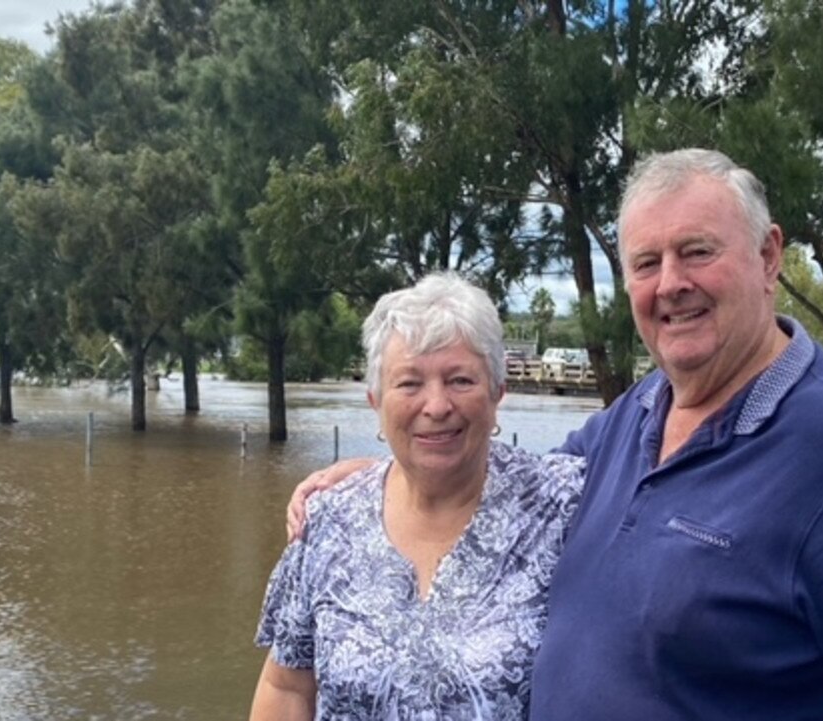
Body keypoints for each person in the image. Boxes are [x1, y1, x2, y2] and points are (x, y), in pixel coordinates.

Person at [287, 148, 823, 720]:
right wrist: (392, 476)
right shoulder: (635, 417)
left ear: (767, 258)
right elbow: (504, 490)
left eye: (697, 252)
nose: (670, 284)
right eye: (646, 263)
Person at [247, 272, 585, 720]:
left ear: (498, 393)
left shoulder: (563, 506)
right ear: (376, 402)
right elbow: (287, 685)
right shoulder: (327, 520)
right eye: (409, 383)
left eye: (461, 380)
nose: (437, 405)